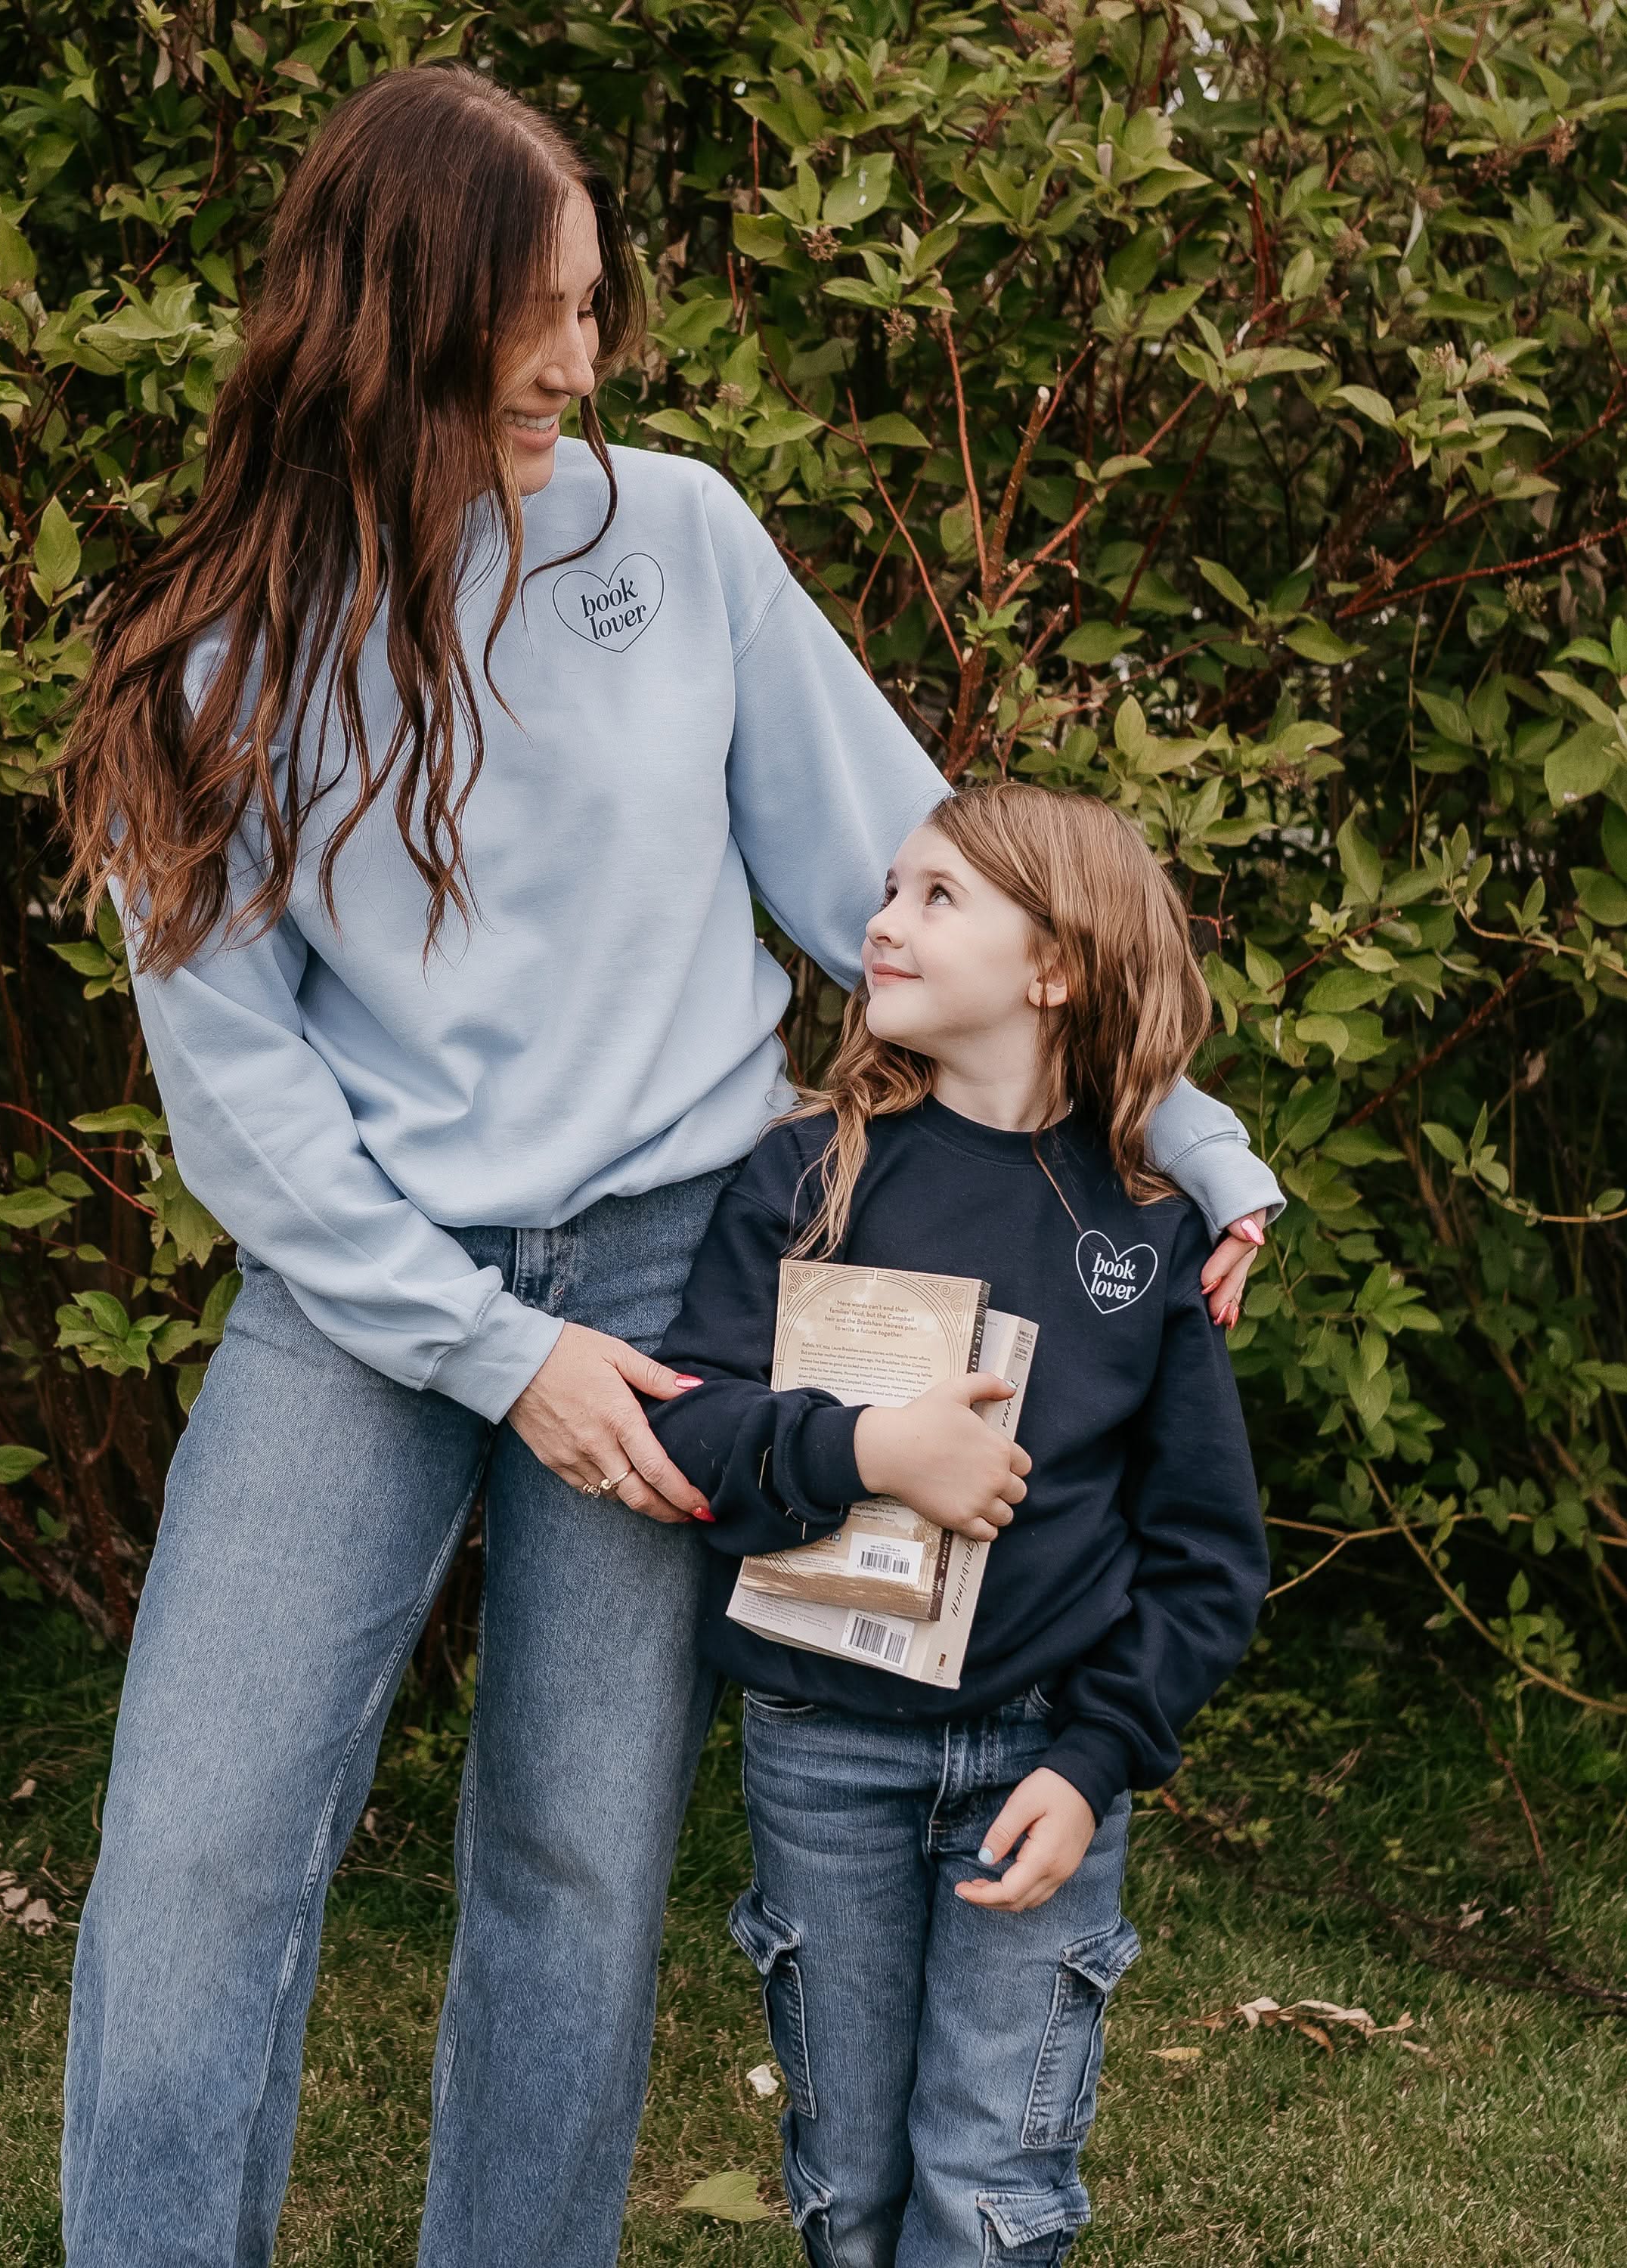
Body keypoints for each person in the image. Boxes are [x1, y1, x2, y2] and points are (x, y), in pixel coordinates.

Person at [54, 64, 1278, 2268]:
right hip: (371, 1297)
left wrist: (1181, 1137)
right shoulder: (215, 662)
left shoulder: (675, 538)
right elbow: (240, 1098)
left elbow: (904, 866)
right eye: (541, 313)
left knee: (577, 1868)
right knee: (204, 1845)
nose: (583, 363)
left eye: (596, 307)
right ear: (396, 310)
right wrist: (489, 1348)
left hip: (688, 1282)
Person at [647, 780, 1272, 2268]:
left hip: (1041, 1760)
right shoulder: (808, 1176)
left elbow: (1206, 1557)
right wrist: (871, 1448)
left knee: (991, 2199)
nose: (881, 922)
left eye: (939, 898)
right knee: (851, 2196)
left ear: (1054, 967)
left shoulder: (1143, 1227)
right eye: (886, 891)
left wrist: (1098, 1755)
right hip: (824, 1749)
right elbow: (688, 1427)